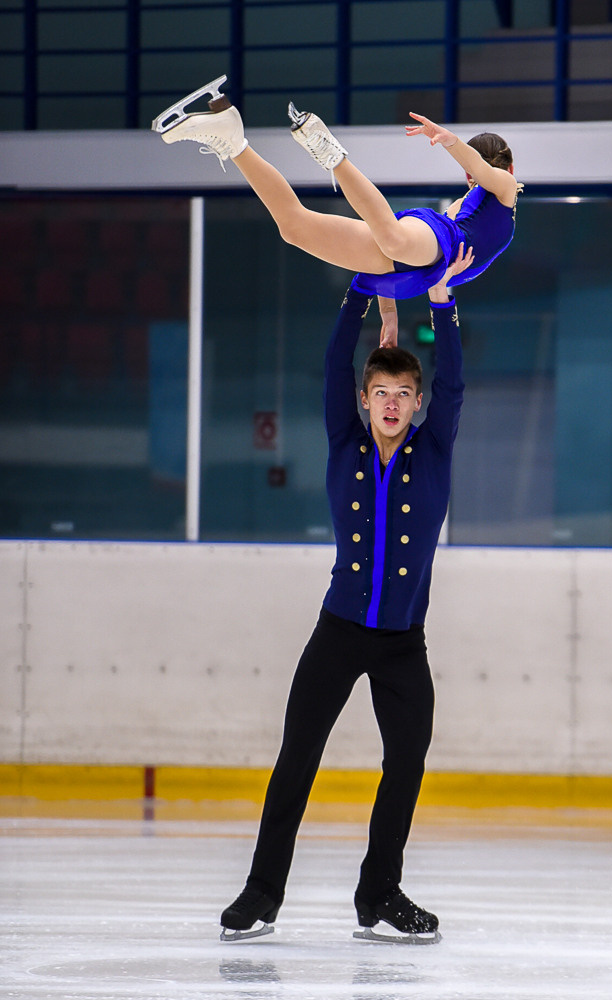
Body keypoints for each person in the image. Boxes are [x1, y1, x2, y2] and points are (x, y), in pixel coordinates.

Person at [216, 244, 472, 945]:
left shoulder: (436, 452)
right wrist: (359, 295)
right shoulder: (343, 444)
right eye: (379, 395)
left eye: (402, 397)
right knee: (296, 756)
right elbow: (334, 365)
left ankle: (378, 892)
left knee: (407, 762)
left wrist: (442, 304)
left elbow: (453, 385)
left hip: (402, 645)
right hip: (338, 631)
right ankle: (262, 892)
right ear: (365, 402)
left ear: (416, 405)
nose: (391, 406)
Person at [153, 77, 521, 342]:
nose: (472, 181)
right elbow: (481, 175)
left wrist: (389, 318)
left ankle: (232, 139)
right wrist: (452, 142)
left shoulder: (504, 188)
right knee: (393, 239)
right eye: (469, 176)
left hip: (419, 265)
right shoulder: (500, 189)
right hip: (433, 242)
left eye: (473, 175)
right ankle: (331, 154)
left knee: (294, 229)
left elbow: (485, 176)